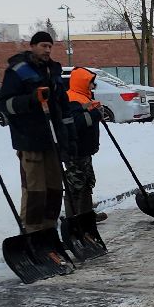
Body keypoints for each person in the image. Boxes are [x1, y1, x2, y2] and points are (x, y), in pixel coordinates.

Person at [0, 30, 66, 232]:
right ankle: (32, 231)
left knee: (54, 187)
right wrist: (31, 100)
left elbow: (62, 102)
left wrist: (67, 133)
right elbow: (4, 104)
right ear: (32, 46)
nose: (47, 50)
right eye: (43, 45)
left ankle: (50, 229)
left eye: (50, 46)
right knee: (36, 190)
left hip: (52, 139)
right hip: (29, 138)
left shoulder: (53, 70)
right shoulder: (17, 71)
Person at [61, 66, 112, 226]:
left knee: (87, 181)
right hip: (75, 150)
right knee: (76, 184)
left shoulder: (83, 97)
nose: (92, 86)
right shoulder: (71, 98)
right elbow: (75, 123)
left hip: (84, 150)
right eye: (90, 83)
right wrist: (95, 114)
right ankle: (75, 219)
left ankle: (86, 213)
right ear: (82, 83)